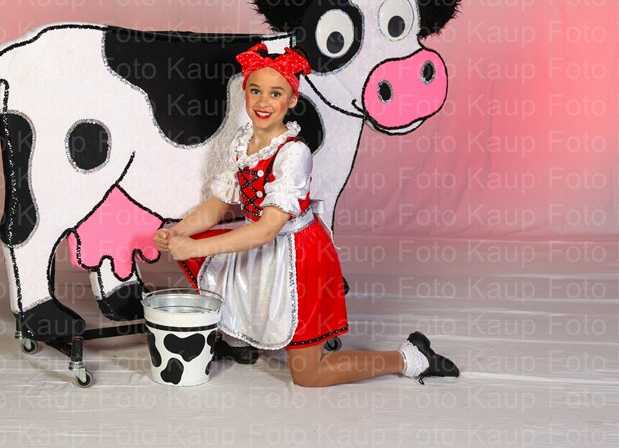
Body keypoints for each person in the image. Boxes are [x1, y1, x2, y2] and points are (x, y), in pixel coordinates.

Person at [153, 43, 459, 387]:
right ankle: (243, 342)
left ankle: (412, 358)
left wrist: (195, 247)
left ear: (292, 100)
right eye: (255, 90)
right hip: (256, 250)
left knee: (308, 374)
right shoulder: (242, 142)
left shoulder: (294, 154)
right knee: (230, 277)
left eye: (275, 93)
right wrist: (178, 232)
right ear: (245, 93)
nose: (263, 102)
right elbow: (217, 206)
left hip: (298, 256)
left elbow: (266, 230)